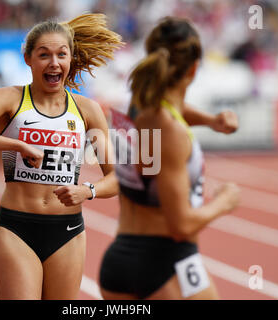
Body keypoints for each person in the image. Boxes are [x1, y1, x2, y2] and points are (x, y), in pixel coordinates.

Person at [0, 13, 123, 300]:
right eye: (44, 55)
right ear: (28, 58)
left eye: (61, 55)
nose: (53, 63)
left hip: (67, 231)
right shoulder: (10, 99)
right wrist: (18, 145)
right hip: (17, 228)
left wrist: (87, 190)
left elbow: (117, 178)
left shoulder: (87, 110)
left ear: (70, 59)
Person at [99, 16, 240, 300]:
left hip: (119, 263)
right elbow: (182, 226)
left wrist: (211, 120)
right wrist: (225, 201)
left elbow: (173, 107)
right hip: (166, 263)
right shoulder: (172, 132)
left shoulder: (140, 106)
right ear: (194, 68)